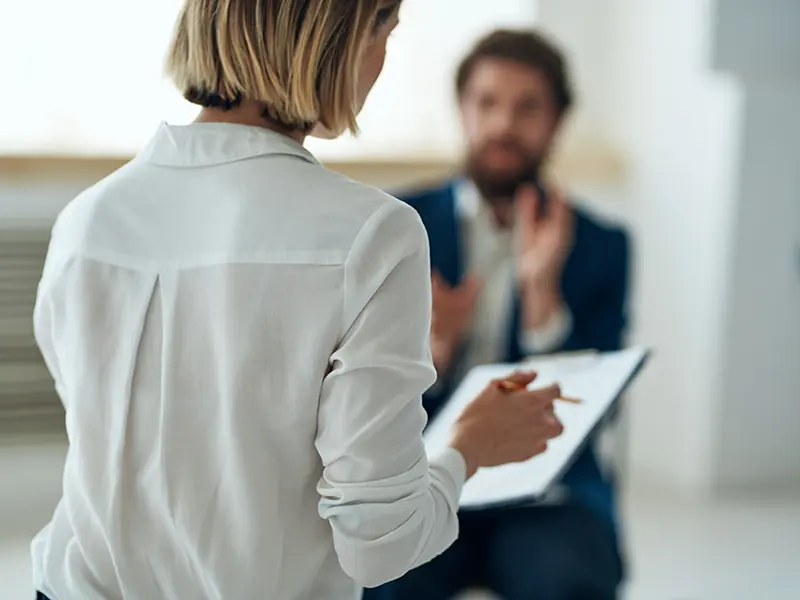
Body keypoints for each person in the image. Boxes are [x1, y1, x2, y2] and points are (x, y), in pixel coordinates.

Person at [30, 4, 566, 600]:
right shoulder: (374, 234)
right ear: (338, 42)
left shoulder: (85, 221)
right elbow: (378, 542)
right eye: (384, 35)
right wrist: (468, 445)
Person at [365, 30, 631, 600]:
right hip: (422, 478)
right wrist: (431, 353)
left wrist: (542, 300)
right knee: (384, 581)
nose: (504, 125)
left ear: (558, 121)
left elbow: (595, 413)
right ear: (462, 111)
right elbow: (357, 402)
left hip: (545, 496)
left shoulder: (602, 244)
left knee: (573, 582)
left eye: (527, 107)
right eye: (487, 103)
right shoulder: (393, 224)